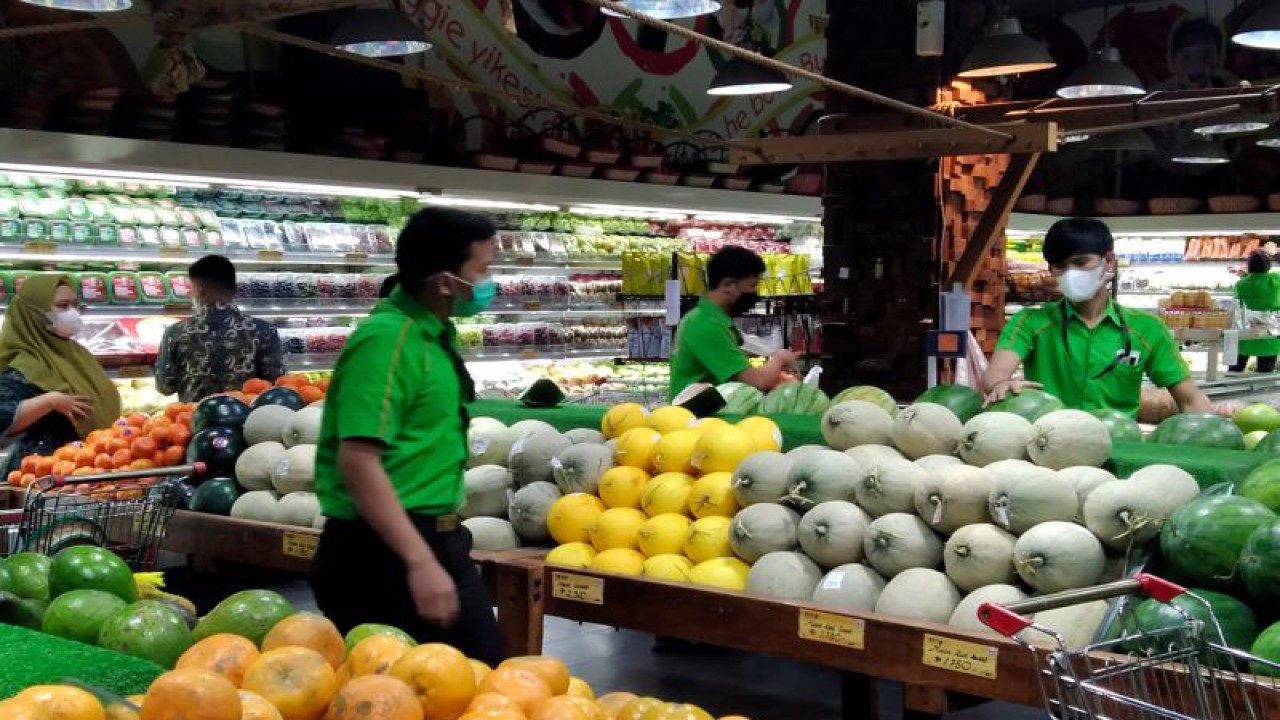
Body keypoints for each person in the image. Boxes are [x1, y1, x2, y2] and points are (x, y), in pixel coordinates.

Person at [311, 207, 504, 665]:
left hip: (435, 539)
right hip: (379, 554)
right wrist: (419, 563)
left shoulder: (431, 333)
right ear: (443, 282)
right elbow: (358, 460)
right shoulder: (386, 341)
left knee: (477, 680)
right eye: (482, 270)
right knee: (400, 694)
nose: (489, 281)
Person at [984, 217, 1211, 418]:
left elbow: (1190, 400)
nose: (1071, 273)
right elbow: (995, 375)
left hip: (1118, 446)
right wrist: (1000, 385)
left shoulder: (1146, 328)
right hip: (1047, 445)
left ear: (1109, 260)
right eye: (1060, 266)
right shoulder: (1031, 322)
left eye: (1081, 263)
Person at [0, 274, 120, 472]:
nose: (72, 312)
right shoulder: (24, 363)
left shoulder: (77, 353)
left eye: (75, 305)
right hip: (43, 473)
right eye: (62, 306)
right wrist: (50, 401)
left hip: (90, 465)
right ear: (34, 312)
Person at [667, 246, 797, 401]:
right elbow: (757, 381)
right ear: (728, 285)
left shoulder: (709, 319)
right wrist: (780, 358)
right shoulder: (704, 324)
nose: (755, 294)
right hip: (694, 415)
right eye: (752, 285)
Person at [154, 255, 285, 402]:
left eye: (191, 289)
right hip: (246, 418)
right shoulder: (264, 331)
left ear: (200, 291)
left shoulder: (176, 333)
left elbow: (164, 386)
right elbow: (276, 382)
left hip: (193, 419)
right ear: (235, 289)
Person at [1231, 250, 1280, 373]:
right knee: (1265, 373)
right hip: (1269, 331)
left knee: (1234, 371)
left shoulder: (1240, 284)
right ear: (1268, 266)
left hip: (1246, 331)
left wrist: (1245, 276)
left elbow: (1240, 298)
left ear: (1249, 266)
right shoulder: (1275, 280)